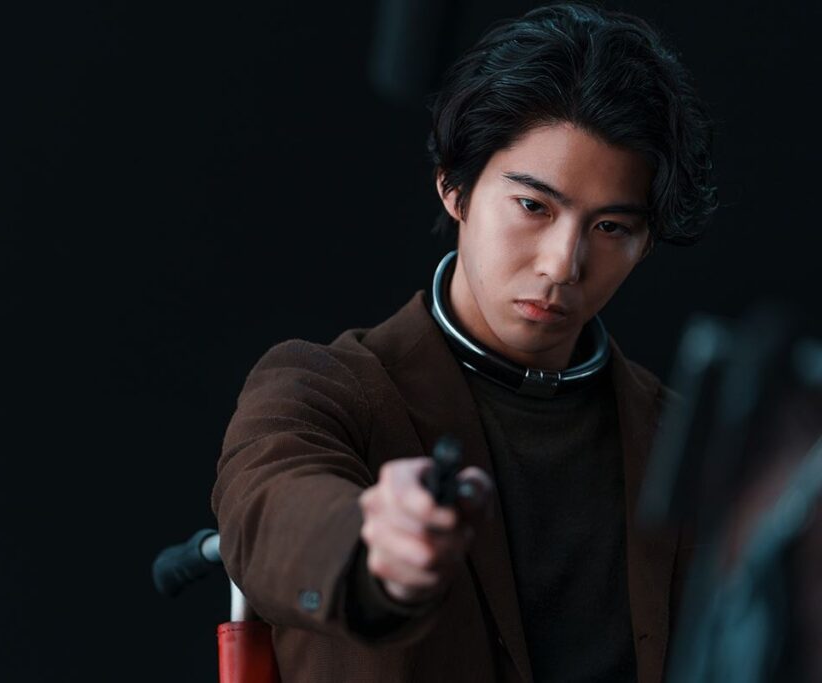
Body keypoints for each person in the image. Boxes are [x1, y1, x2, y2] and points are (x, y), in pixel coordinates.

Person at [211, 3, 718, 681]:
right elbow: (266, 508)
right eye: (533, 206)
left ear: (645, 242)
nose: (562, 265)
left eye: (610, 228)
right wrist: (372, 544)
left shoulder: (683, 439)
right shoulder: (323, 388)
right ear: (455, 188)